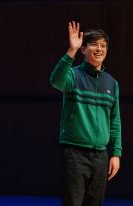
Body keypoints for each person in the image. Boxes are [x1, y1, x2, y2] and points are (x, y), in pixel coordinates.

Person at [50, 21, 122, 206]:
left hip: (100, 156)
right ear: (83, 49)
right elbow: (56, 81)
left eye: (103, 45)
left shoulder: (111, 83)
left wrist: (116, 154)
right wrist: (70, 51)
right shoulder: (73, 76)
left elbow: (115, 121)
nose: (99, 49)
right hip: (74, 153)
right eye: (94, 44)